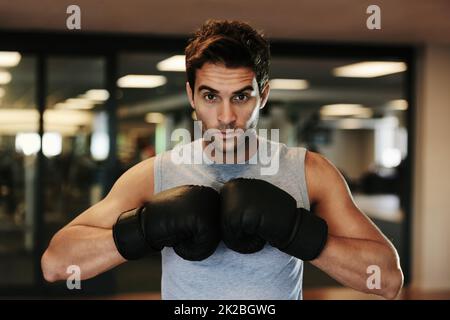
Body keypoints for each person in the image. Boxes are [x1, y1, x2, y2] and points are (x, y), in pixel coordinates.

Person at [41, 19, 403, 300]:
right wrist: (147, 228)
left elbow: (387, 279)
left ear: (263, 95)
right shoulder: (154, 175)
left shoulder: (308, 172)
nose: (227, 116)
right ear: (191, 95)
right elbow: (56, 264)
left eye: (241, 96)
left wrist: (295, 230)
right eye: (211, 97)